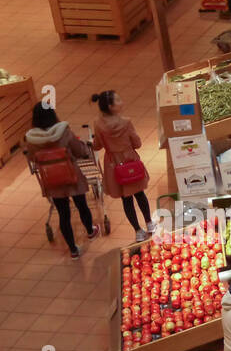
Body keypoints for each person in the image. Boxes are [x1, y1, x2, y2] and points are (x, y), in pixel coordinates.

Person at [24, 103, 98, 259]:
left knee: (64, 214)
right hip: (72, 177)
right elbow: (79, 150)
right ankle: (90, 231)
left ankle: (73, 249)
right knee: (82, 205)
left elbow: (31, 157)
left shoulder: (32, 139)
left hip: (52, 179)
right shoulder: (63, 132)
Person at [90, 90, 152, 240]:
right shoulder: (126, 122)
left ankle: (138, 231)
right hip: (130, 160)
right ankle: (150, 223)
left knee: (126, 199)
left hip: (113, 164)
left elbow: (97, 145)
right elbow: (137, 143)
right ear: (111, 106)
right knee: (139, 193)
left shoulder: (98, 124)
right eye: (118, 100)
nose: (121, 102)